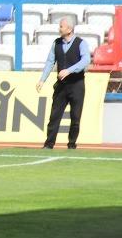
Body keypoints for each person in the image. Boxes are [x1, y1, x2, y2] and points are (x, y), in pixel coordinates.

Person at [38, 17, 93, 150]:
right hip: (61, 86)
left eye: (61, 26)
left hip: (77, 85)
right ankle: (49, 144)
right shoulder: (56, 43)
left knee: (75, 117)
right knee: (54, 116)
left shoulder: (81, 43)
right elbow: (50, 62)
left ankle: (71, 144)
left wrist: (69, 70)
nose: (59, 28)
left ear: (69, 29)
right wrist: (42, 79)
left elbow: (86, 60)